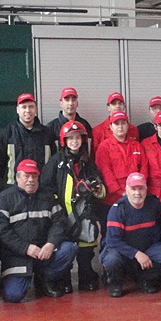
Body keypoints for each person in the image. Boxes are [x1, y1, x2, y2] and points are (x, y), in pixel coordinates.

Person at [0, 159, 78, 303]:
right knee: (14, 295)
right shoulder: (5, 198)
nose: (31, 180)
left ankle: (44, 279)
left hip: (44, 253)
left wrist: (51, 243)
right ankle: (9, 280)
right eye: (26, 176)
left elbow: (59, 222)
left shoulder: (48, 196)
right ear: (17, 177)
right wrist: (25, 248)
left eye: (34, 176)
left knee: (69, 248)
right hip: (17, 257)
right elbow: (1, 231)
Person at [41, 120, 106, 292]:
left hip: (85, 212)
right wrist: (56, 206)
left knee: (86, 249)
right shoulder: (56, 162)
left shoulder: (88, 162)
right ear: (64, 141)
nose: (74, 141)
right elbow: (46, 187)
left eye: (77, 138)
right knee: (66, 246)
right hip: (63, 212)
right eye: (70, 138)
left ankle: (86, 277)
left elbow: (100, 186)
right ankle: (64, 280)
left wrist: (95, 188)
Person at [101, 173, 161, 297]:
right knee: (111, 260)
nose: (137, 193)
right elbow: (112, 241)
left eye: (141, 189)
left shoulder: (153, 203)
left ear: (146, 189)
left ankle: (144, 278)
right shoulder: (117, 210)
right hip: (123, 251)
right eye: (133, 189)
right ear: (126, 190)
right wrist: (136, 254)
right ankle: (115, 283)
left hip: (148, 247)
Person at [95, 111, 148, 243]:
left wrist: (137, 191)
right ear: (111, 126)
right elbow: (106, 173)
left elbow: (144, 169)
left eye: (123, 123)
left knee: (133, 236)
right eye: (116, 123)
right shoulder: (104, 147)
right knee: (110, 237)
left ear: (128, 126)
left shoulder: (137, 146)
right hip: (112, 201)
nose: (120, 126)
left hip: (135, 199)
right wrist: (122, 192)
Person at [0, 93, 56, 187]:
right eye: (24, 107)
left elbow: (53, 162)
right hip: (13, 190)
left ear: (35, 109)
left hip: (41, 189)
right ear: (17, 110)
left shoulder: (47, 134)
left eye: (31, 107)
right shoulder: (7, 134)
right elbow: (0, 164)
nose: (28, 110)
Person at [91, 92, 139, 158]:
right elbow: (95, 157)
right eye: (114, 103)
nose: (117, 106)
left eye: (120, 103)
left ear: (124, 107)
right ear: (108, 107)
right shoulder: (97, 131)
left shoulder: (133, 129)